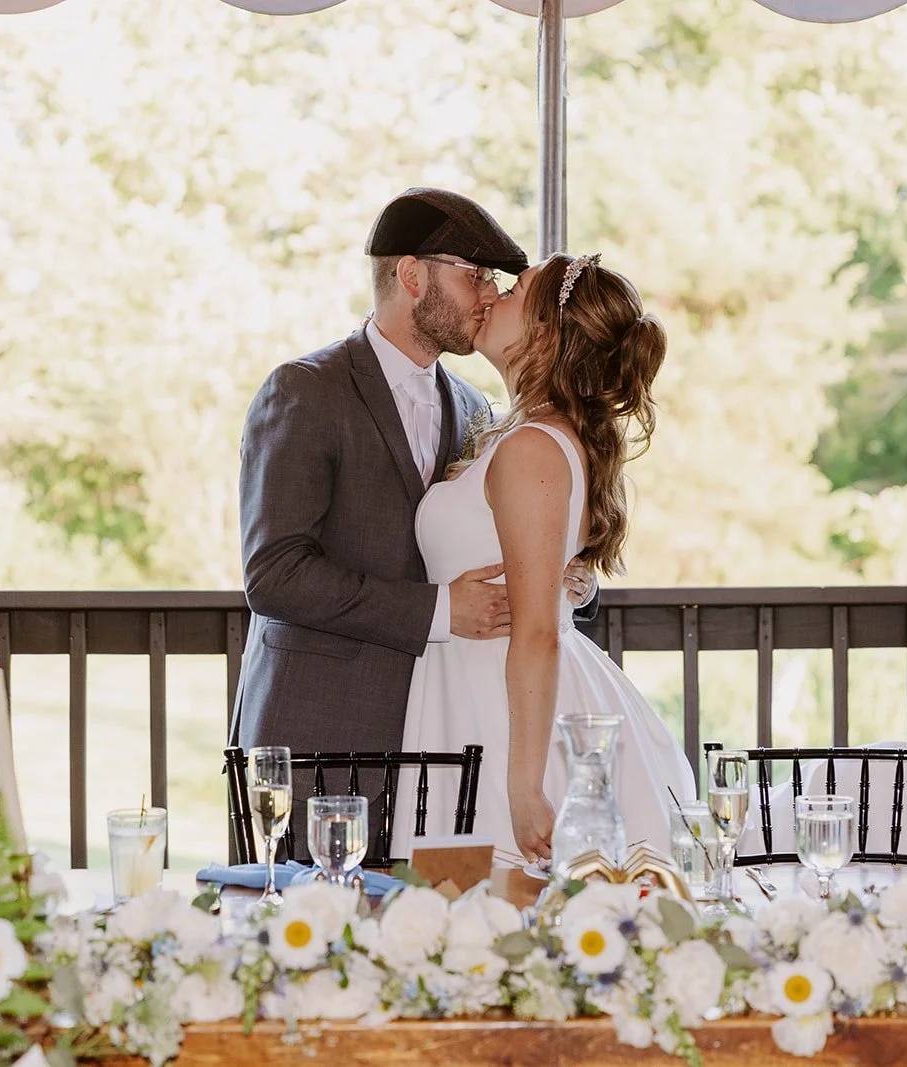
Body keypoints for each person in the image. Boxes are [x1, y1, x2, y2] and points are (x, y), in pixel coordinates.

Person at [231, 188, 596, 848]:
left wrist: (564, 576)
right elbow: (274, 573)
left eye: (493, 280)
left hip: (441, 742)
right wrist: (437, 612)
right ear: (412, 275)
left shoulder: (475, 406)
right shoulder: (304, 390)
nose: (489, 293)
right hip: (320, 739)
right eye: (474, 275)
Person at [391, 252, 694, 867]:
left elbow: (535, 632)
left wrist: (524, 785)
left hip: (514, 719)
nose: (492, 295)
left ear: (544, 332)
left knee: (511, 916)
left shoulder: (533, 447)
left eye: (515, 291)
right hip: (470, 696)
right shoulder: (513, 432)